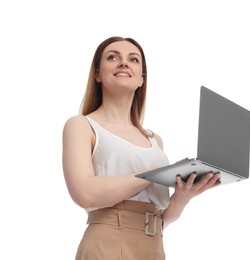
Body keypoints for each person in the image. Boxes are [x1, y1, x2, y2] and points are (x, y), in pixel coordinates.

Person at [62, 36, 221, 260]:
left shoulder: (154, 140)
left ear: (141, 79)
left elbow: (162, 218)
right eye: (113, 57)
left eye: (133, 59)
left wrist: (182, 197)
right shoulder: (82, 126)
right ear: (97, 74)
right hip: (108, 242)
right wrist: (154, 175)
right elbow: (84, 193)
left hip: (154, 245)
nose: (124, 63)